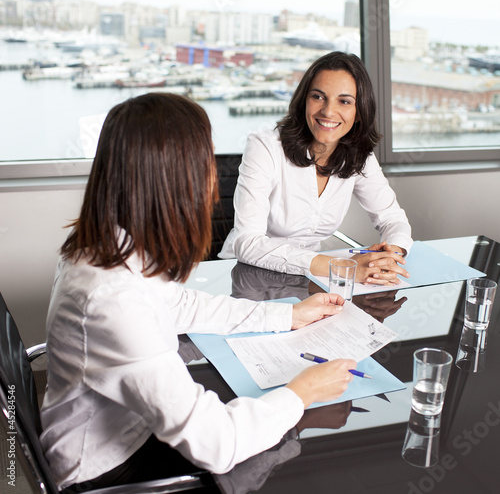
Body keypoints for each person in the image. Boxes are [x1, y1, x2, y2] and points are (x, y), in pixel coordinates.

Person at [39, 92, 356, 492]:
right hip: (104, 467)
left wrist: (287, 316)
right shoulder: (112, 299)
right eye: (206, 158)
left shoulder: (110, 241)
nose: (212, 174)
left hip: (127, 427)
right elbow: (216, 442)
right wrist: (302, 393)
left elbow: (180, 305)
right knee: (273, 458)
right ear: (175, 177)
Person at [219, 51, 412, 285]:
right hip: (246, 276)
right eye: (318, 97)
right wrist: (340, 267)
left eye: (344, 101)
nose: (328, 112)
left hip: (311, 279)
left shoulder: (360, 155)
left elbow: (392, 218)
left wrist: (391, 254)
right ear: (304, 101)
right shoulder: (265, 146)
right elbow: (247, 243)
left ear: (359, 111)